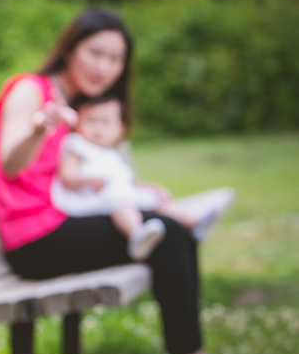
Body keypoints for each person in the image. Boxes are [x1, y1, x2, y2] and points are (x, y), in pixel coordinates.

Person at [0, 7, 245, 354]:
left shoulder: (86, 107)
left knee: (172, 224)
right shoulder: (32, 90)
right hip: (34, 238)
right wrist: (42, 125)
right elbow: (9, 164)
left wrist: (139, 190)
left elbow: (87, 179)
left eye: (116, 58)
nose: (104, 66)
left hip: (64, 221)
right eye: (96, 52)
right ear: (69, 50)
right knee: (170, 233)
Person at [51, 94, 221, 261]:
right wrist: (87, 180)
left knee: (156, 199)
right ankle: (136, 235)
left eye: (105, 123)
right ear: (78, 122)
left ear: (120, 129)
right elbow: (67, 176)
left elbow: (129, 183)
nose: (97, 128)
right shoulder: (77, 145)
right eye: (91, 121)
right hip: (93, 197)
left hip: (118, 192)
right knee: (122, 204)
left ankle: (194, 223)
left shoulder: (111, 154)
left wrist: (150, 187)